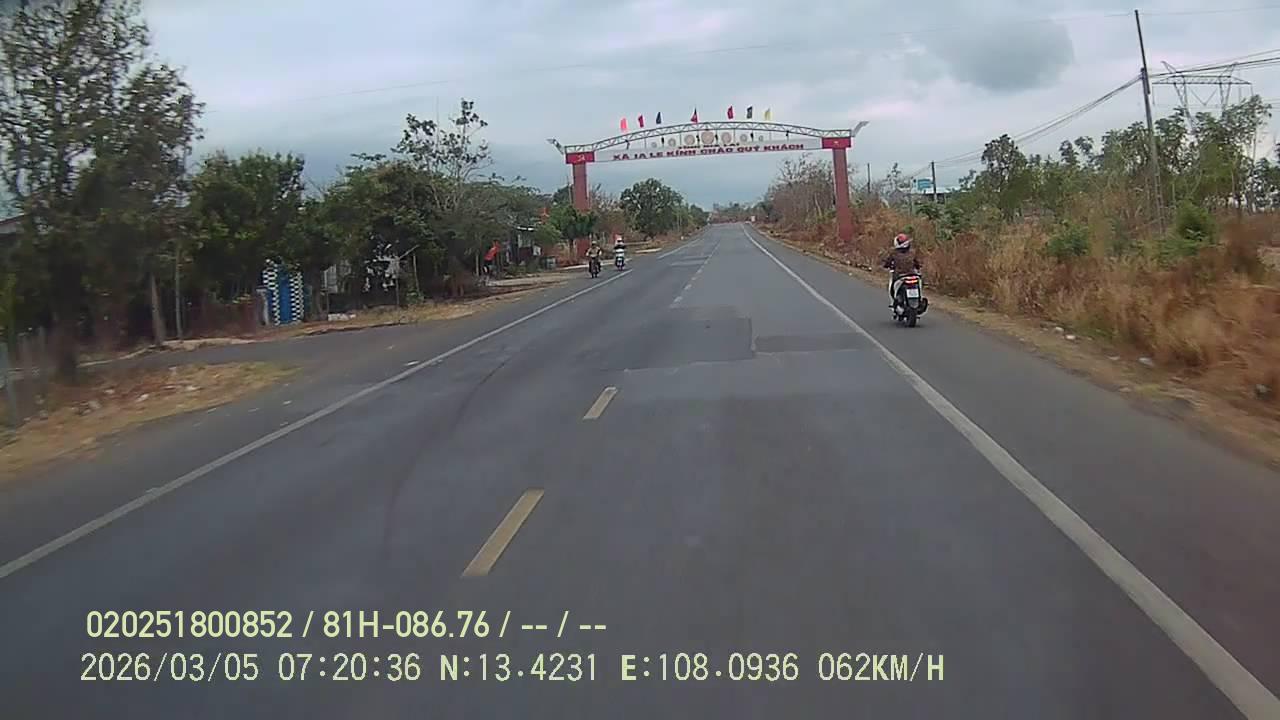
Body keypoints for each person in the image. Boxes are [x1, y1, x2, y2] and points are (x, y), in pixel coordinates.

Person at [882, 232, 921, 306]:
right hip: (913, 274)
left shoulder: (894, 253)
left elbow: (887, 263)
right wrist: (917, 267)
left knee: (891, 287)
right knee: (919, 283)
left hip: (899, 275)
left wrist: (886, 266)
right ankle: (920, 300)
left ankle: (894, 302)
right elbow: (917, 263)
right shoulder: (912, 253)